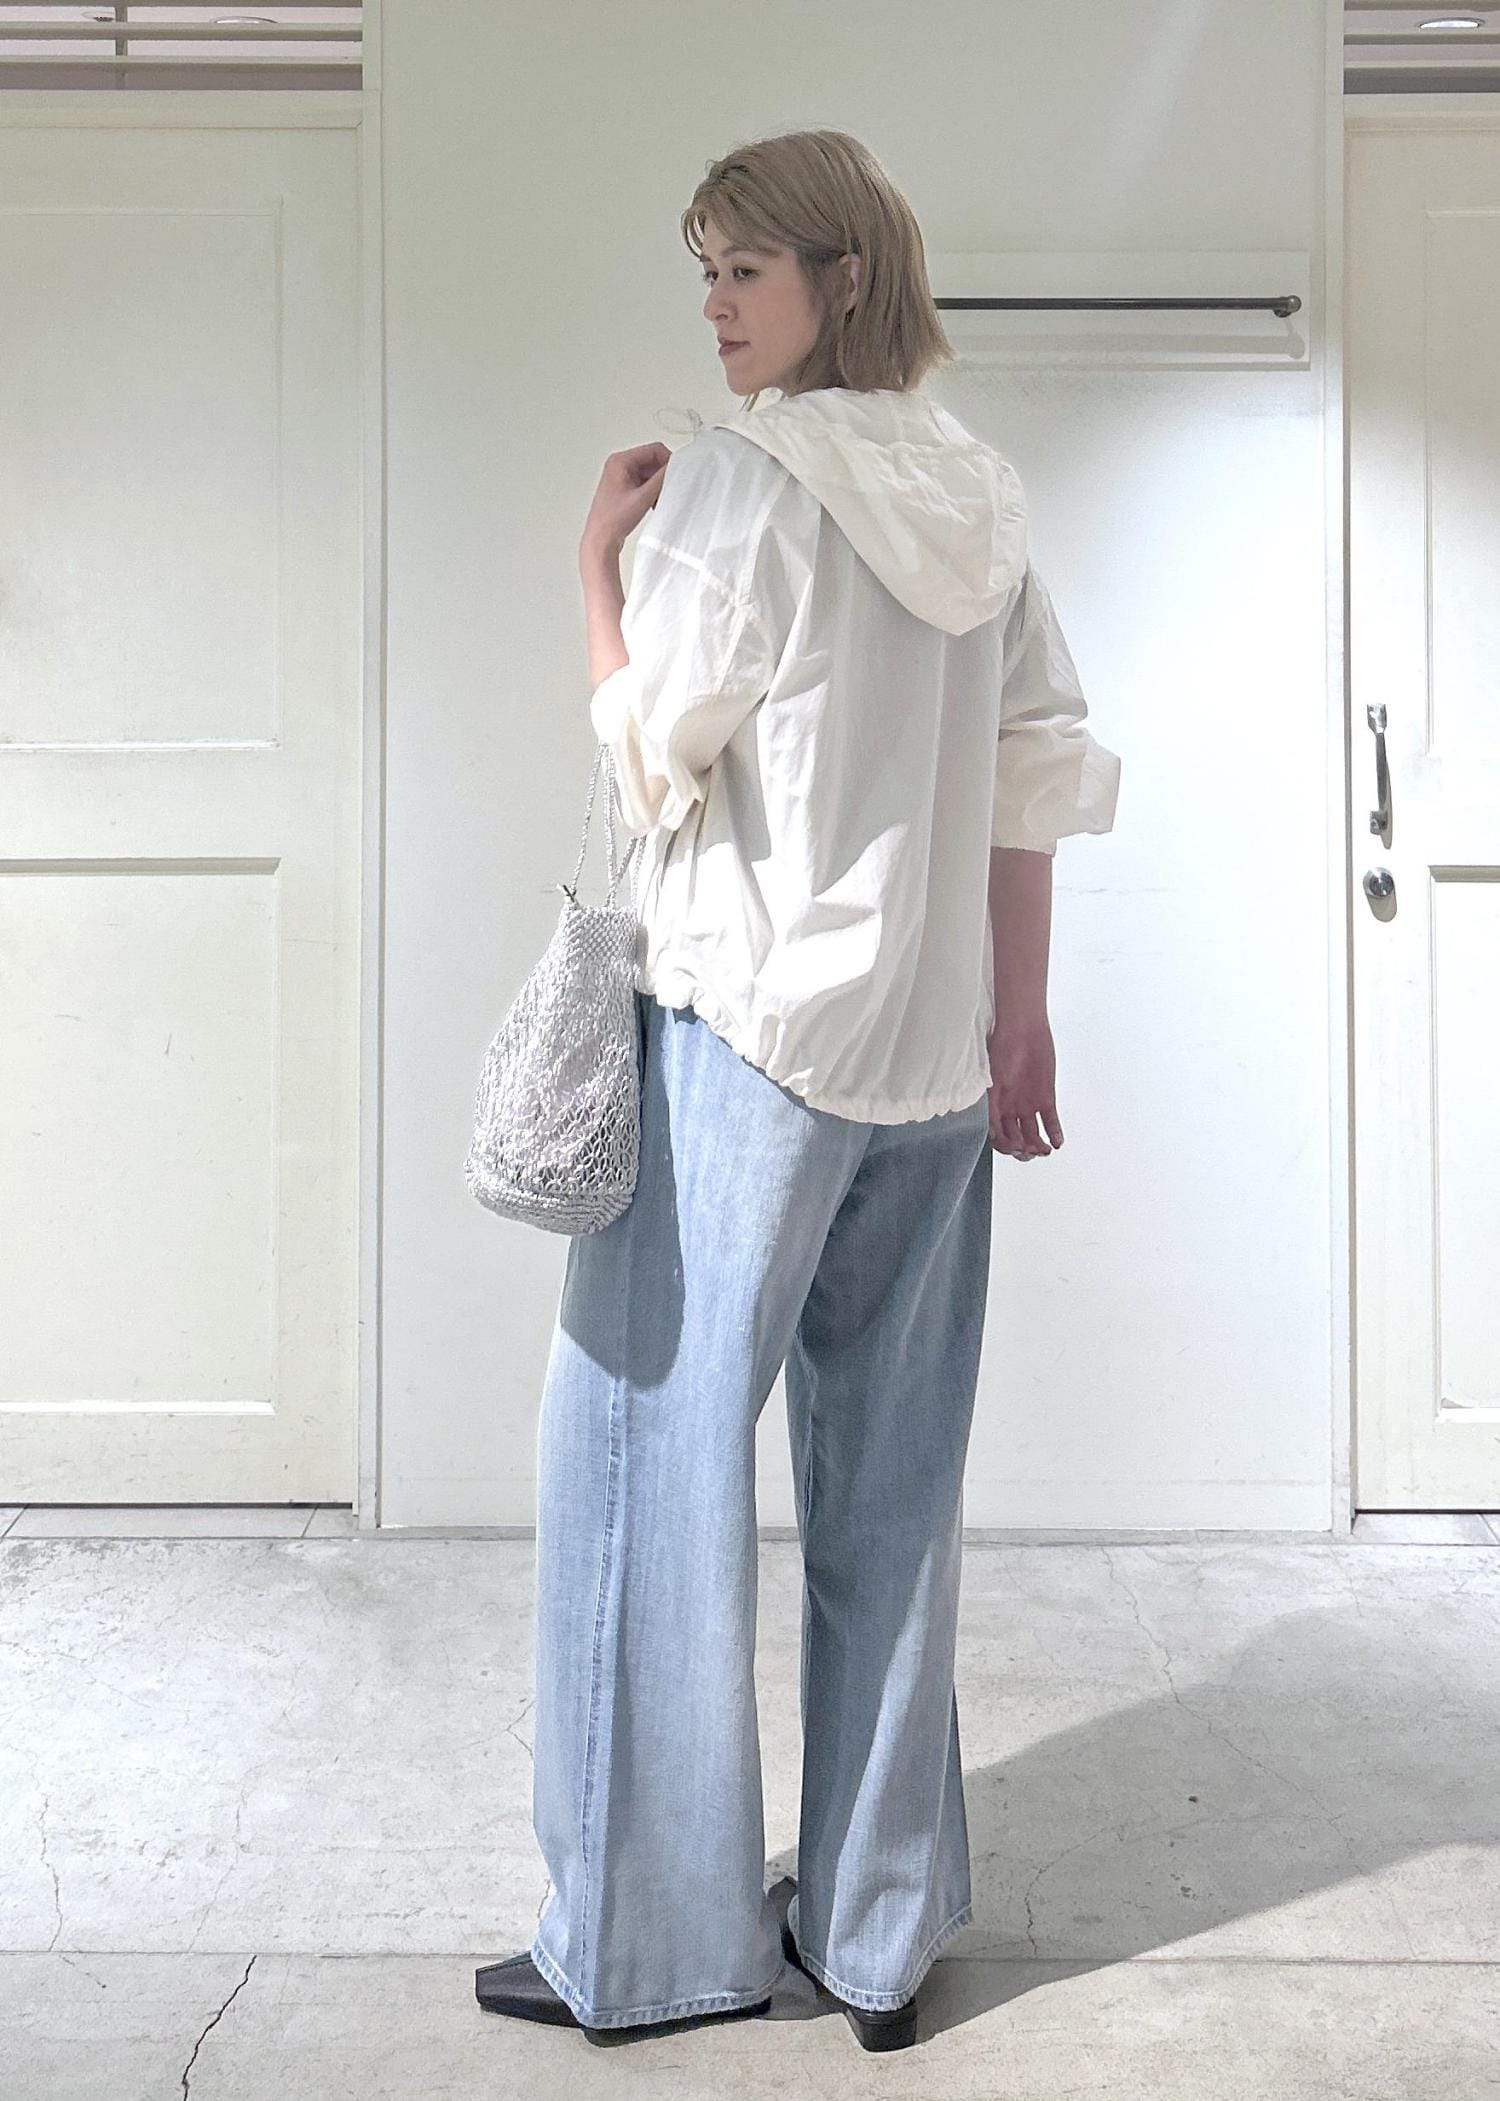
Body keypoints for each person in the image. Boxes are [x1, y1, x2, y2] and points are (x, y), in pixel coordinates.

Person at [476, 128, 1121, 2051]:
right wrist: (1023, 1020)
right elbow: (1036, 767)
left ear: (842, 277)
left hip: (747, 1046)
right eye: (704, 271)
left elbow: (653, 756)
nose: (714, 306)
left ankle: (641, 1946)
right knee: (893, 1496)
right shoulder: (979, 493)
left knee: (636, 1481)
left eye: (743, 268)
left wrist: (593, 568)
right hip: (931, 1065)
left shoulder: (745, 484)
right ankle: (874, 1931)